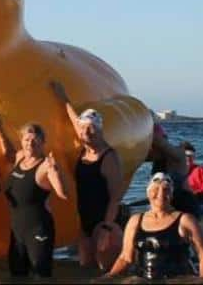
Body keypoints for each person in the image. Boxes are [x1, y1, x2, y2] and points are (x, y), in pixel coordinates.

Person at [50, 81, 123, 271]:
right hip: (84, 221)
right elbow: (76, 121)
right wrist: (63, 97)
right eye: (83, 129)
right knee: (85, 269)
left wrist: (107, 229)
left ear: (99, 130)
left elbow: (116, 197)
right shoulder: (84, 149)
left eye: (91, 129)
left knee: (104, 269)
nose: (85, 133)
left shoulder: (108, 157)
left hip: (103, 222)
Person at [0, 113, 69, 277]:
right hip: (17, 231)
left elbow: (63, 194)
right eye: (26, 139)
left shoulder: (46, 165)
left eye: (35, 140)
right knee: (17, 274)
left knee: (40, 274)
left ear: (42, 142)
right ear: (22, 141)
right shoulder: (20, 157)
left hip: (38, 230)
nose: (30, 143)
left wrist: (56, 171)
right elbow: (9, 153)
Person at [106, 172, 203, 279]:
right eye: (155, 189)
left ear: (172, 194)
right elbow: (125, 258)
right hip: (144, 279)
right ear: (148, 193)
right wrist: (109, 277)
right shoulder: (135, 221)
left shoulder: (185, 220)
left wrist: (202, 280)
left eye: (166, 190)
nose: (161, 194)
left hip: (178, 280)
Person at [147, 121, 199, 215]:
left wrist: (145, 127)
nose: (151, 148)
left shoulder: (179, 153)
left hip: (184, 203)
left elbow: (161, 143)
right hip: (163, 204)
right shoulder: (155, 157)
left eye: (152, 145)